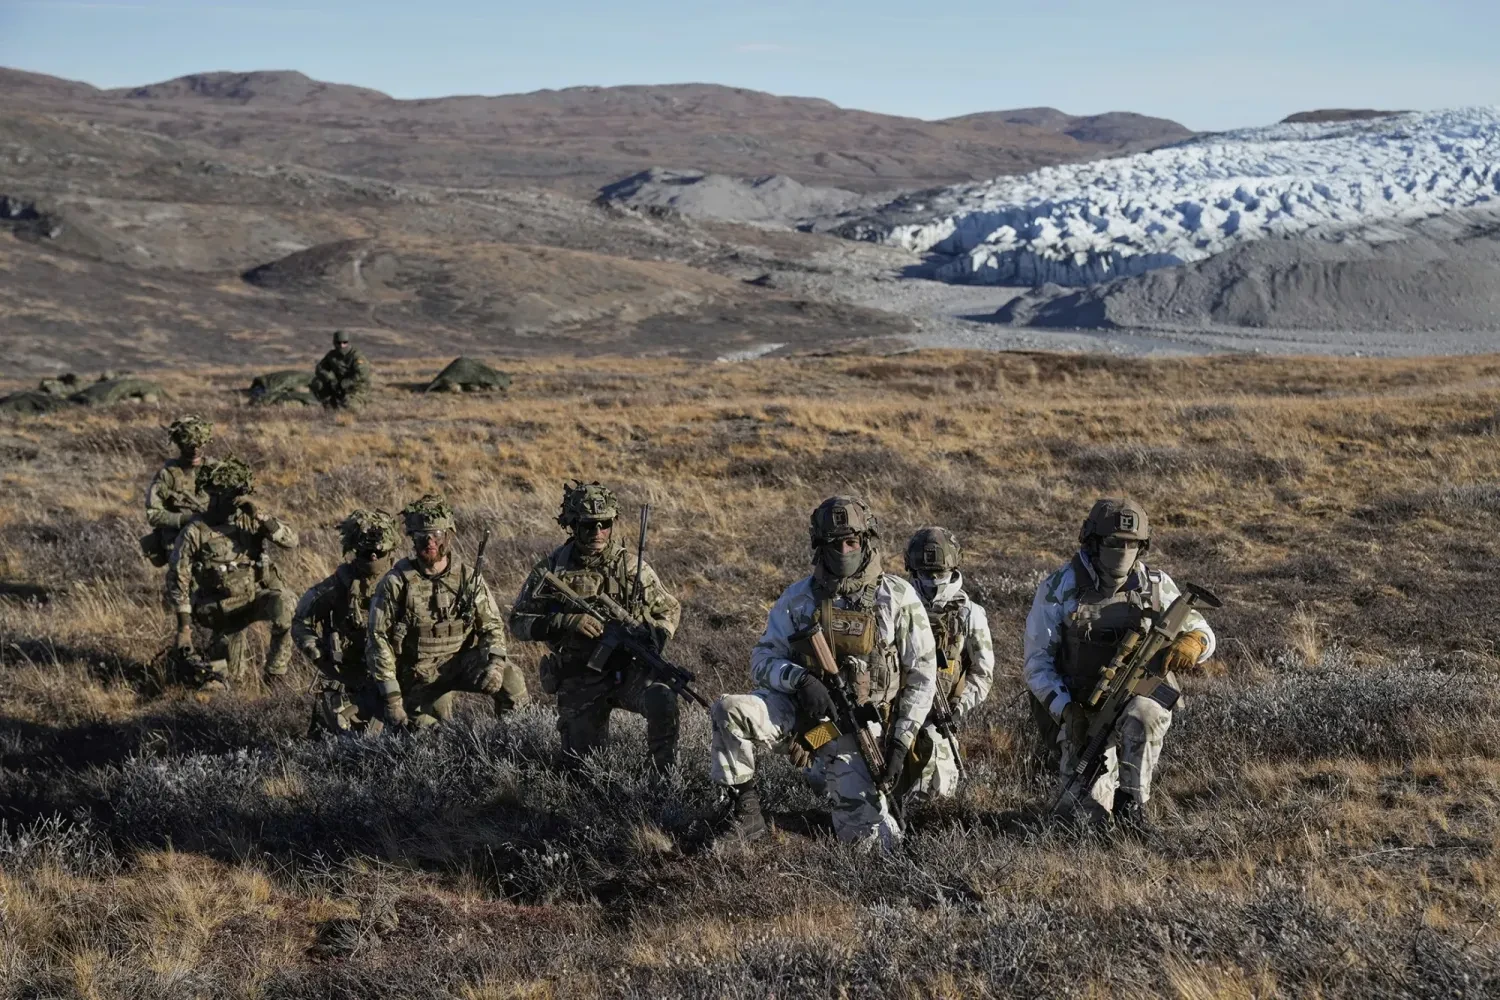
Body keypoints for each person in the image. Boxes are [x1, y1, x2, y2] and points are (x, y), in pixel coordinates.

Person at [710, 495, 937, 850]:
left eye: (852, 542)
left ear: (866, 541)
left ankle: (847, 792)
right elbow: (762, 659)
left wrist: (900, 742)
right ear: (820, 546)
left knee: (871, 846)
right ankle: (746, 813)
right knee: (730, 710)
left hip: (860, 730)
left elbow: (923, 677)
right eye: (835, 543)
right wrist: (800, 680)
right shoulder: (798, 598)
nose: (844, 551)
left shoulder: (897, 597)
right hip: (802, 718)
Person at [1023, 498, 1216, 830]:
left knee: (1146, 713)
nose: (1123, 551)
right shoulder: (1060, 587)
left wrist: (1194, 643)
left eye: (1131, 544)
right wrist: (1067, 712)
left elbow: (1203, 631)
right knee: (1077, 822)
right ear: (1093, 541)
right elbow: (1036, 665)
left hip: (1138, 700)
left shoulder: (1155, 584)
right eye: (1114, 542)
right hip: (1083, 713)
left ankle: (1134, 805)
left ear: (1142, 546)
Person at [508, 481, 682, 772]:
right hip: (580, 676)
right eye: (589, 525)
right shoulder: (552, 569)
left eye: (605, 524)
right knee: (582, 770)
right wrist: (565, 621)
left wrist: (656, 637)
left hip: (629, 670)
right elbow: (518, 622)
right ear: (572, 525)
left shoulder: (630, 566)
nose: (598, 532)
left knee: (662, 698)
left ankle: (662, 780)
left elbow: (669, 609)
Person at [366, 494, 527, 729]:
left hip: (460, 662)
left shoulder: (467, 577)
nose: (430, 541)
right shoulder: (396, 582)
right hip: (417, 675)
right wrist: (392, 698)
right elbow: (378, 639)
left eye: (437, 535)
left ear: (448, 536)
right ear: (413, 539)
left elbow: (491, 625)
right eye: (422, 536)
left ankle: (514, 737)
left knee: (511, 678)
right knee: (427, 732)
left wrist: (495, 665)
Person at [166, 456, 298, 690]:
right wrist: (184, 629)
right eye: (226, 497)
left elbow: (291, 541)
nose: (232, 504)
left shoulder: (249, 519)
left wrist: (261, 515)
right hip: (222, 610)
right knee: (232, 682)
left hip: (254, 597)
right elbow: (179, 579)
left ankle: (275, 675)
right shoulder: (195, 531)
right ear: (212, 496)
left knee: (285, 604)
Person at [899, 526, 995, 805]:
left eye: (939, 574)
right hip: (896, 712)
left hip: (938, 718)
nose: (932, 581)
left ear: (953, 568)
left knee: (937, 792)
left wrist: (957, 708)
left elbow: (982, 674)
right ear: (912, 570)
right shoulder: (897, 604)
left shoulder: (970, 613)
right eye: (925, 573)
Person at [293, 508, 402, 735]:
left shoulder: (402, 584)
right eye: (367, 552)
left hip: (396, 678)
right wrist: (317, 653)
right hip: (348, 679)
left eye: (379, 552)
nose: (373, 557)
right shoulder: (337, 586)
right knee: (347, 738)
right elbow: (301, 622)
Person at [141, 416, 211, 569]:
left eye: (199, 444)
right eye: (189, 445)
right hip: (180, 548)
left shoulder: (216, 470)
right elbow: (153, 515)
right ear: (180, 444)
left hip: (213, 547)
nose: (195, 450)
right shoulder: (167, 475)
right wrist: (186, 518)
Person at [309, 331, 371, 409]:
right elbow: (320, 368)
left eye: (344, 342)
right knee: (317, 383)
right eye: (338, 343)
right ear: (334, 343)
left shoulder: (356, 356)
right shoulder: (332, 355)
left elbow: (362, 374)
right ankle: (329, 405)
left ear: (348, 342)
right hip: (337, 386)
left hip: (356, 388)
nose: (342, 345)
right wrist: (330, 377)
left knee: (350, 406)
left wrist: (345, 383)